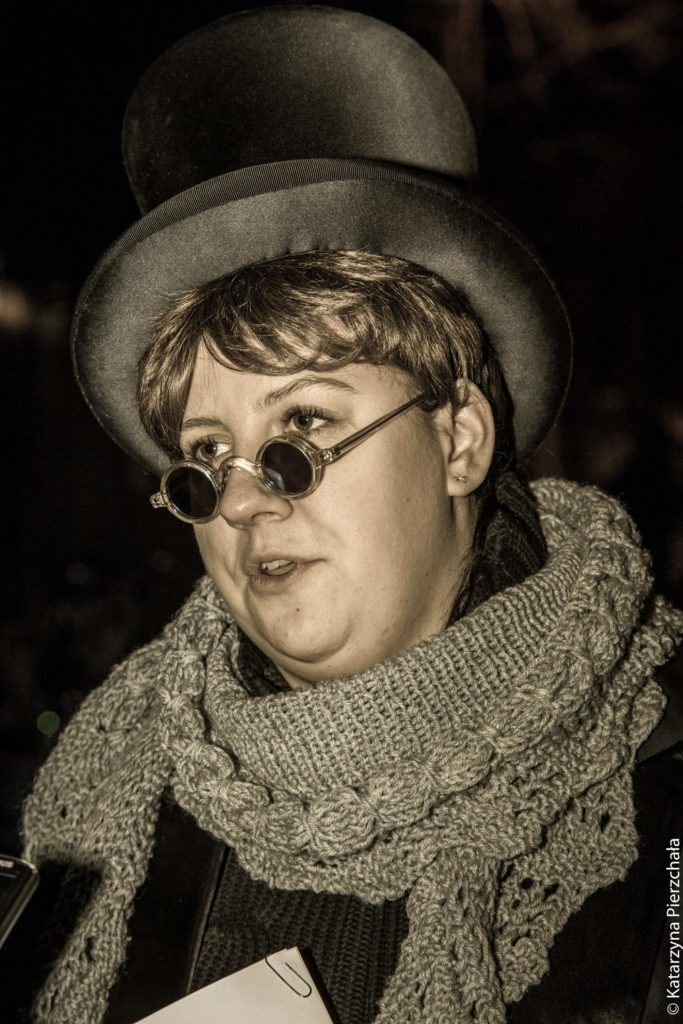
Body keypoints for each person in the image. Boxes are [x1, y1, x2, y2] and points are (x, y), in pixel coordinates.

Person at [7, 7, 682, 1024]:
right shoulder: (104, 806)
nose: (242, 499)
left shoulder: (660, 797)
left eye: (301, 431)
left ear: (458, 439)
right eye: (205, 459)